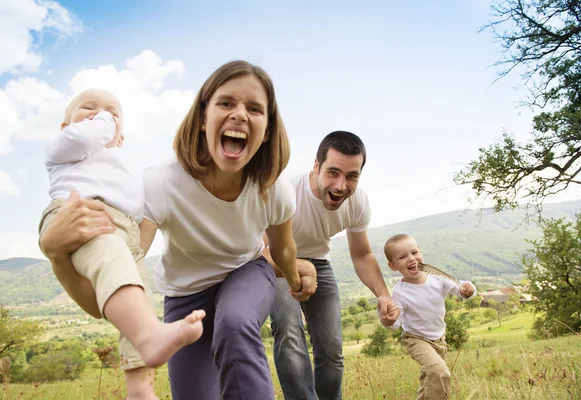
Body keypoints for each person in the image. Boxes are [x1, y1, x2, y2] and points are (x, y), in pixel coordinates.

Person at [39, 60, 310, 400]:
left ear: (267, 129)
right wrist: (57, 255)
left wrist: (297, 279)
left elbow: (283, 250)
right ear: (202, 119)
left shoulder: (272, 189)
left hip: (246, 271)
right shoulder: (162, 183)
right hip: (185, 296)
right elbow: (111, 285)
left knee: (235, 322)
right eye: (226, 103)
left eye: (254, 108)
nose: (239, 114)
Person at [39, 88, 205, 392]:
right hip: (82, 214)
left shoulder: (122, 163)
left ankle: (140, 388)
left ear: (121, 139)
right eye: (88, 108)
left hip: (125, 229)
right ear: (65, 127)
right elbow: (83, 137)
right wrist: (106, 120)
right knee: (116, 265)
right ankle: (150, 336)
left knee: (137, 294)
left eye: (112, 112)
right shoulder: (65, 147)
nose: (100, 113)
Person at [269, 131, 400, 400]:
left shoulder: (358, 202)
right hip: (277, 261)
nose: (341, 186)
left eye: (352, 176)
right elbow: (260, 249)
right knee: (289, 330)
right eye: (333, 172)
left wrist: (383, 295)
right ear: (316, 167)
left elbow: (362, 255)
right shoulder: (284, 190)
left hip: (320, 263)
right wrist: (296, 268)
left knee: (331, 348)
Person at [383, 233, 477, 400]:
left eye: (414, 252)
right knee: (440, 372)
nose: (411, 259)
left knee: (431, 377)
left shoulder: (437, 278)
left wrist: (469, 290)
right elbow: (396, 323)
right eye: (403, 257)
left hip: (439, 339)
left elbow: (461, 289)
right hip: (416, 339)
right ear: (393, 266)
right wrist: (389, 320)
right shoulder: (401, 292)